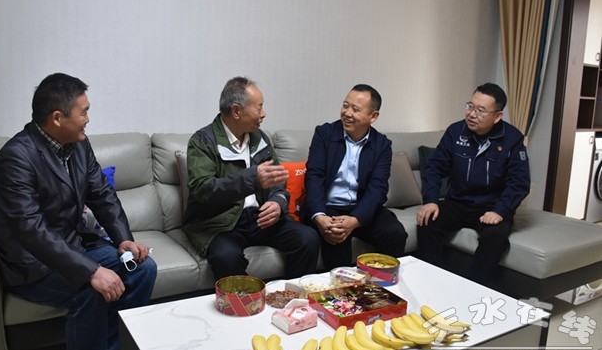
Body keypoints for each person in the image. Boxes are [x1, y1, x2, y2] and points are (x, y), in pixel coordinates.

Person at [0, 73, 157, 350]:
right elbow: (31, 230)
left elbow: (102, 194)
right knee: (92, 288)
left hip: (73, 247)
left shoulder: (78, 145)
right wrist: (90, 270)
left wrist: (123, 239)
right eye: (84, 111)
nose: (88, 119)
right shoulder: (15, 158)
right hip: (33, 263)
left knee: (143, 268)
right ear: (58, 118)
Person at [182, 76, 320, 280]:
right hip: (221, 223)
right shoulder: (202, 141)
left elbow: (278, 180)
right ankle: (248, 300)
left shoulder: (260, 139)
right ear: (236, 111)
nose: (263, 114)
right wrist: (252, 179)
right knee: (226, 257)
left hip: (259, 218)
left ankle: (291, 295)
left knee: (308, 238)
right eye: (259, 107)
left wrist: (278, 202)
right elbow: (203, 189)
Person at [416, 83, 530, 285]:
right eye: (470, 106)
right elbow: (434, 168)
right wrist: (431, 200)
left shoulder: (512, 139)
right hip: (458, 202)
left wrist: (500, 211)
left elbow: (519, 182)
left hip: (491, 207)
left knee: (495, 238)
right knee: (427, 221)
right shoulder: (455, 132)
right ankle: (433, 281)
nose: (471, 114)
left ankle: (474, 288)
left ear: (497, 116)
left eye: (480, 110)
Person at [303, 84, 408, 270]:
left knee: (395, 233)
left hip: (362, 207)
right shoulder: (324, 134)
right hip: (329, 207)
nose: (347, 113)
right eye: (345, 106)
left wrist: (356, 219)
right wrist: (319, 216)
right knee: (336, 240)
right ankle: (344, 287)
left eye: (355, 109)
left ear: (373, 116)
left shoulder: (382, 145)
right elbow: (314, 176)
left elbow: (378, 188)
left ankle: (382, 283)